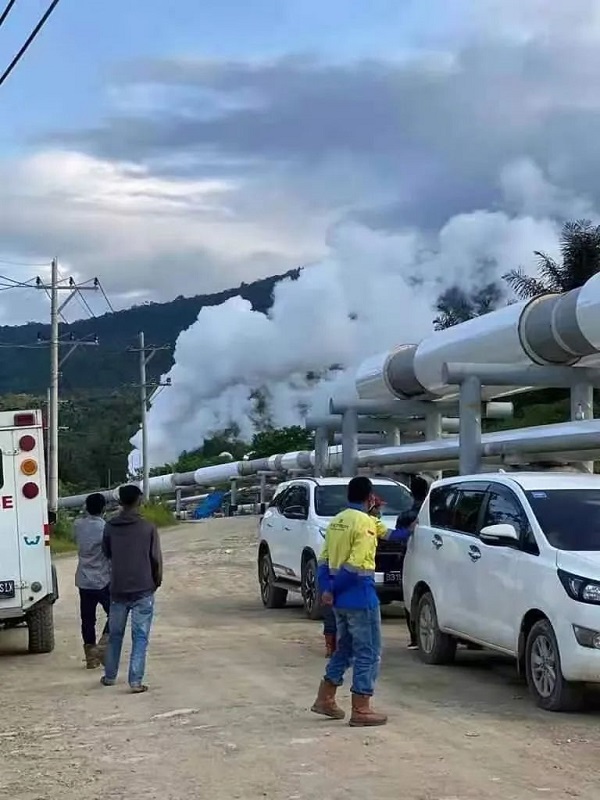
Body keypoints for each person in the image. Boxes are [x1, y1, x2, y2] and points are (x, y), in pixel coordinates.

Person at [311, 476, 413, 727]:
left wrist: (328, 589)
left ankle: (325, 698)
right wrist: (334, 589)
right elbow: (356, 566)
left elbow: (323, 560)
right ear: (369, 497)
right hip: (359, 596)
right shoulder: (365, 523)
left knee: (345, 649)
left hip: (339, 600)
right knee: (369, 652)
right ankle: (361, 708)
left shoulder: (338, 521)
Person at [101, 484, 163, 694]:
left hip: (118, 588)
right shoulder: (148, 527)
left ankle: (110, 676)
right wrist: (156, 581)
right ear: (139, 501)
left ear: (120, 501)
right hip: (143, 588)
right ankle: (135, 681)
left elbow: (106, 552)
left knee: (115, 634)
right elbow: (155, 559)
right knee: (140, 636)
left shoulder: (110, 527)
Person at [74, 493, 111, 669]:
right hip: (103, 579)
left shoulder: (78, 525)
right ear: (104, 508)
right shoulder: (106, 528)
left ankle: (90, 656)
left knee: (87, 619)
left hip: (84, 579)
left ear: (86, 507)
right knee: (115, 613)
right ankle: (103, 646)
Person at [403, 475, 430, 649]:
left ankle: (414, 638)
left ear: (411, 493)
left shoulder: (406, 515)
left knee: (411, 597)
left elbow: (398, 537)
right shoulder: (435, 511)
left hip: (412, 558)